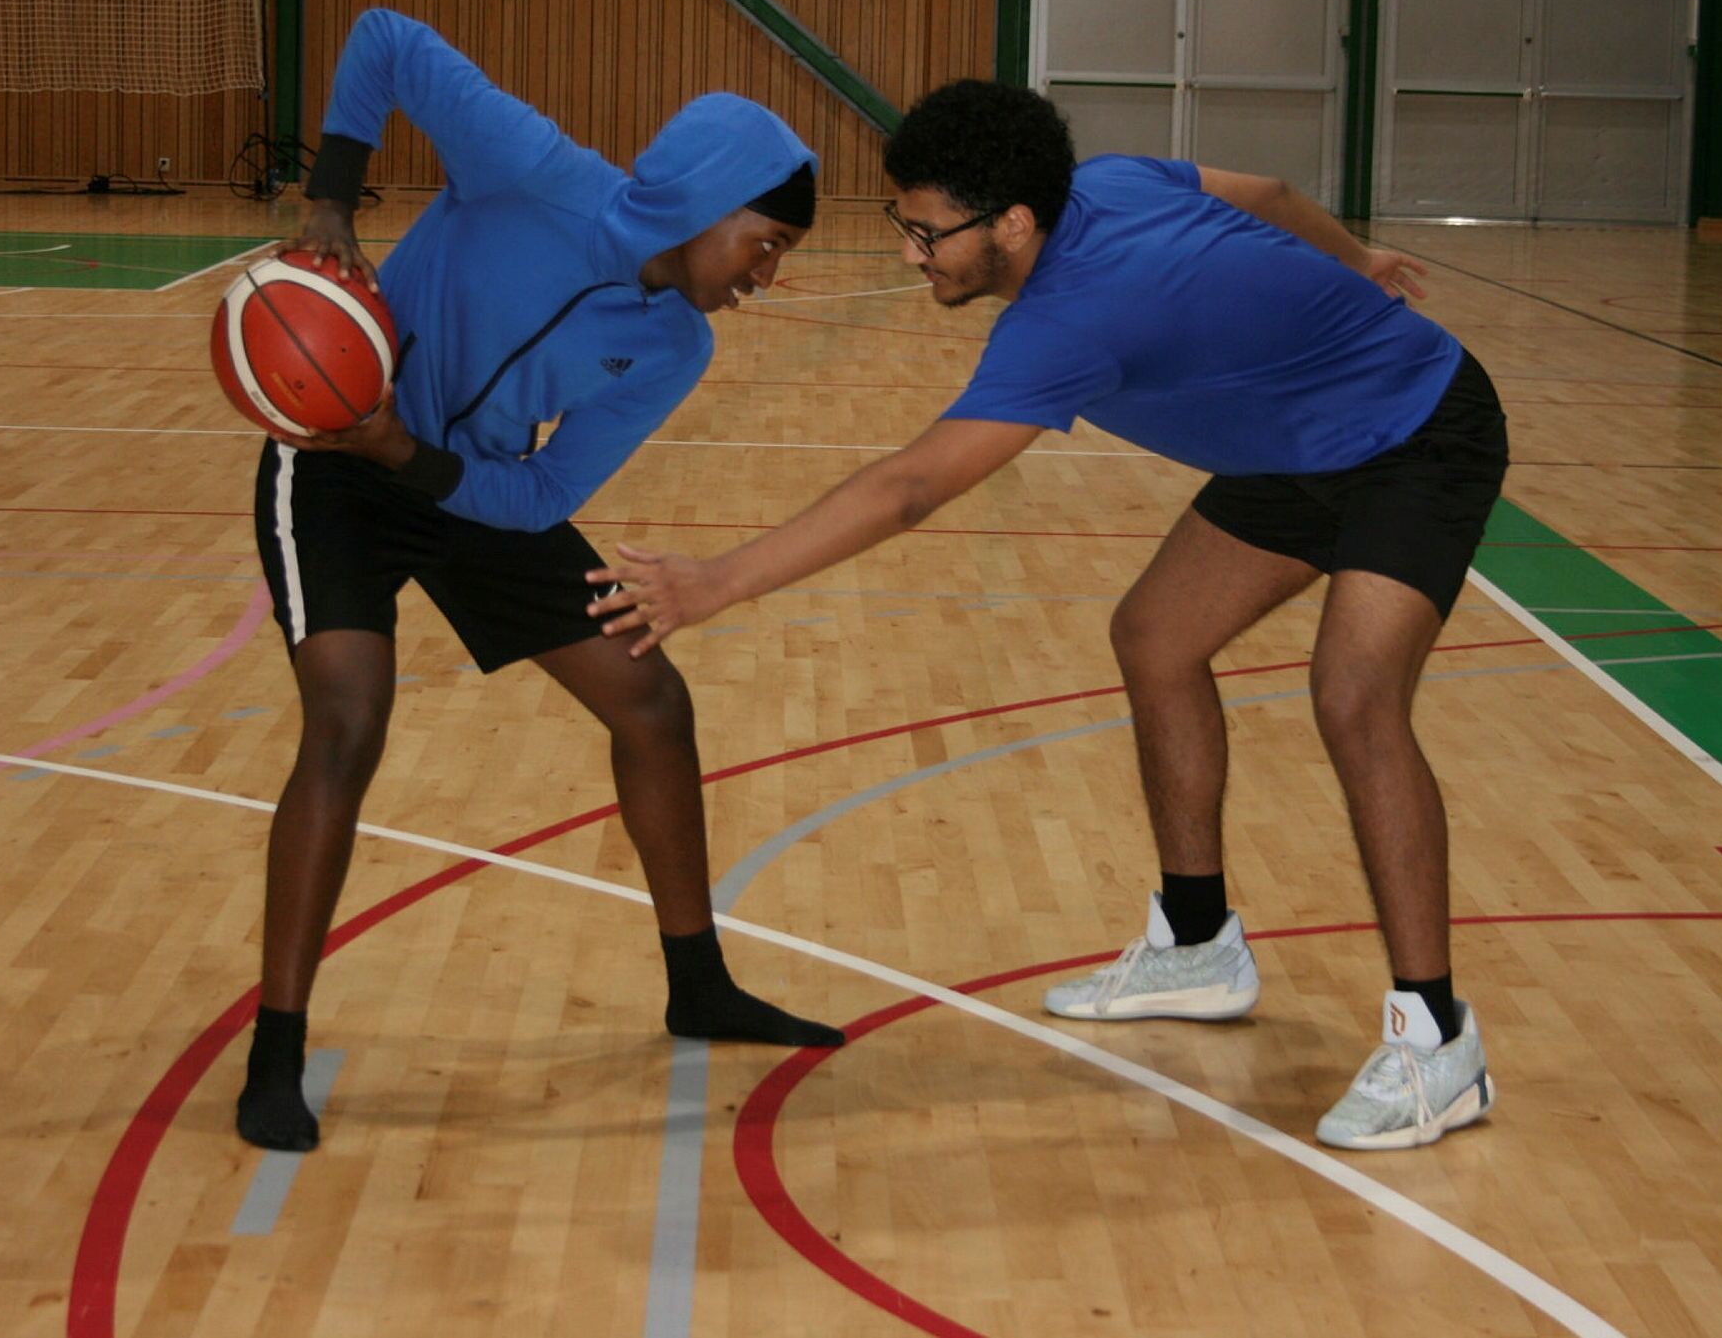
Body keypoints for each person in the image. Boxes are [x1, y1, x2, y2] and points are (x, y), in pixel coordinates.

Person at [587, 78, 1509, 1150]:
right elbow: (1268, 192)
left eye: (929, 232)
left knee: (1353, 696)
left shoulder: (1070, 319)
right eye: (904, 224)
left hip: (1416, 433)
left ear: (1014, 224)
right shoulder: (1106, 183)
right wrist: (1356, 258)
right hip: (1291, 445)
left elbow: (910, 488)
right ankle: (1197, 944)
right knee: (1156, 637)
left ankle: (1437, 1040)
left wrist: (717, 581)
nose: (912, 253)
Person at [236, 8, 840, 1154]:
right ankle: (276, 1045)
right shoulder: (532, 167)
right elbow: (384, 41)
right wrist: (331, 202)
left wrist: (411, 458)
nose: (766, 275)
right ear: (706, 202)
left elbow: (543, 491)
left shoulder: (675, 346)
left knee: (650, 697)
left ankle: (698, 982)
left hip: (464, 483)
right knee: (347, 721)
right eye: (763, 244)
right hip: (333, 465)